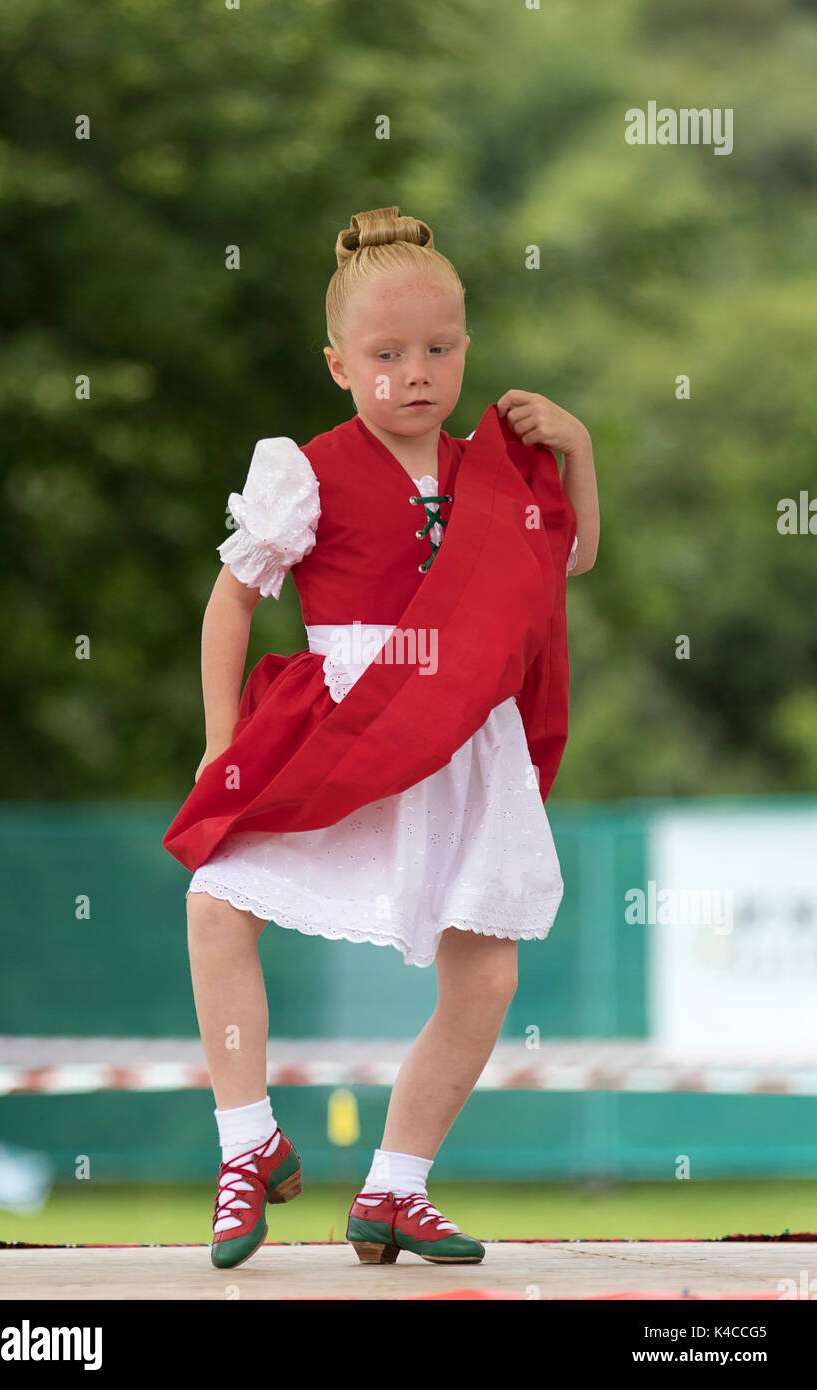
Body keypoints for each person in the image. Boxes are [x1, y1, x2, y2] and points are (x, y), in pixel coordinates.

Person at [162, 205, 600, 1270]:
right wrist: (223, 737)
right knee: (216, 904)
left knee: (484, 977)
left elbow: (570, 562)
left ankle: (394, 1187)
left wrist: (576, 448)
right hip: (351, 728)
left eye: (439, 350)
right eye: (387, 354)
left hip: (461, 739)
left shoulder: (494, 470)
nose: (416, 373)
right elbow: (230, 605)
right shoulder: (304, 469)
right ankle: (245, 1142)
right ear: (337, 363)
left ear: (465, 350)